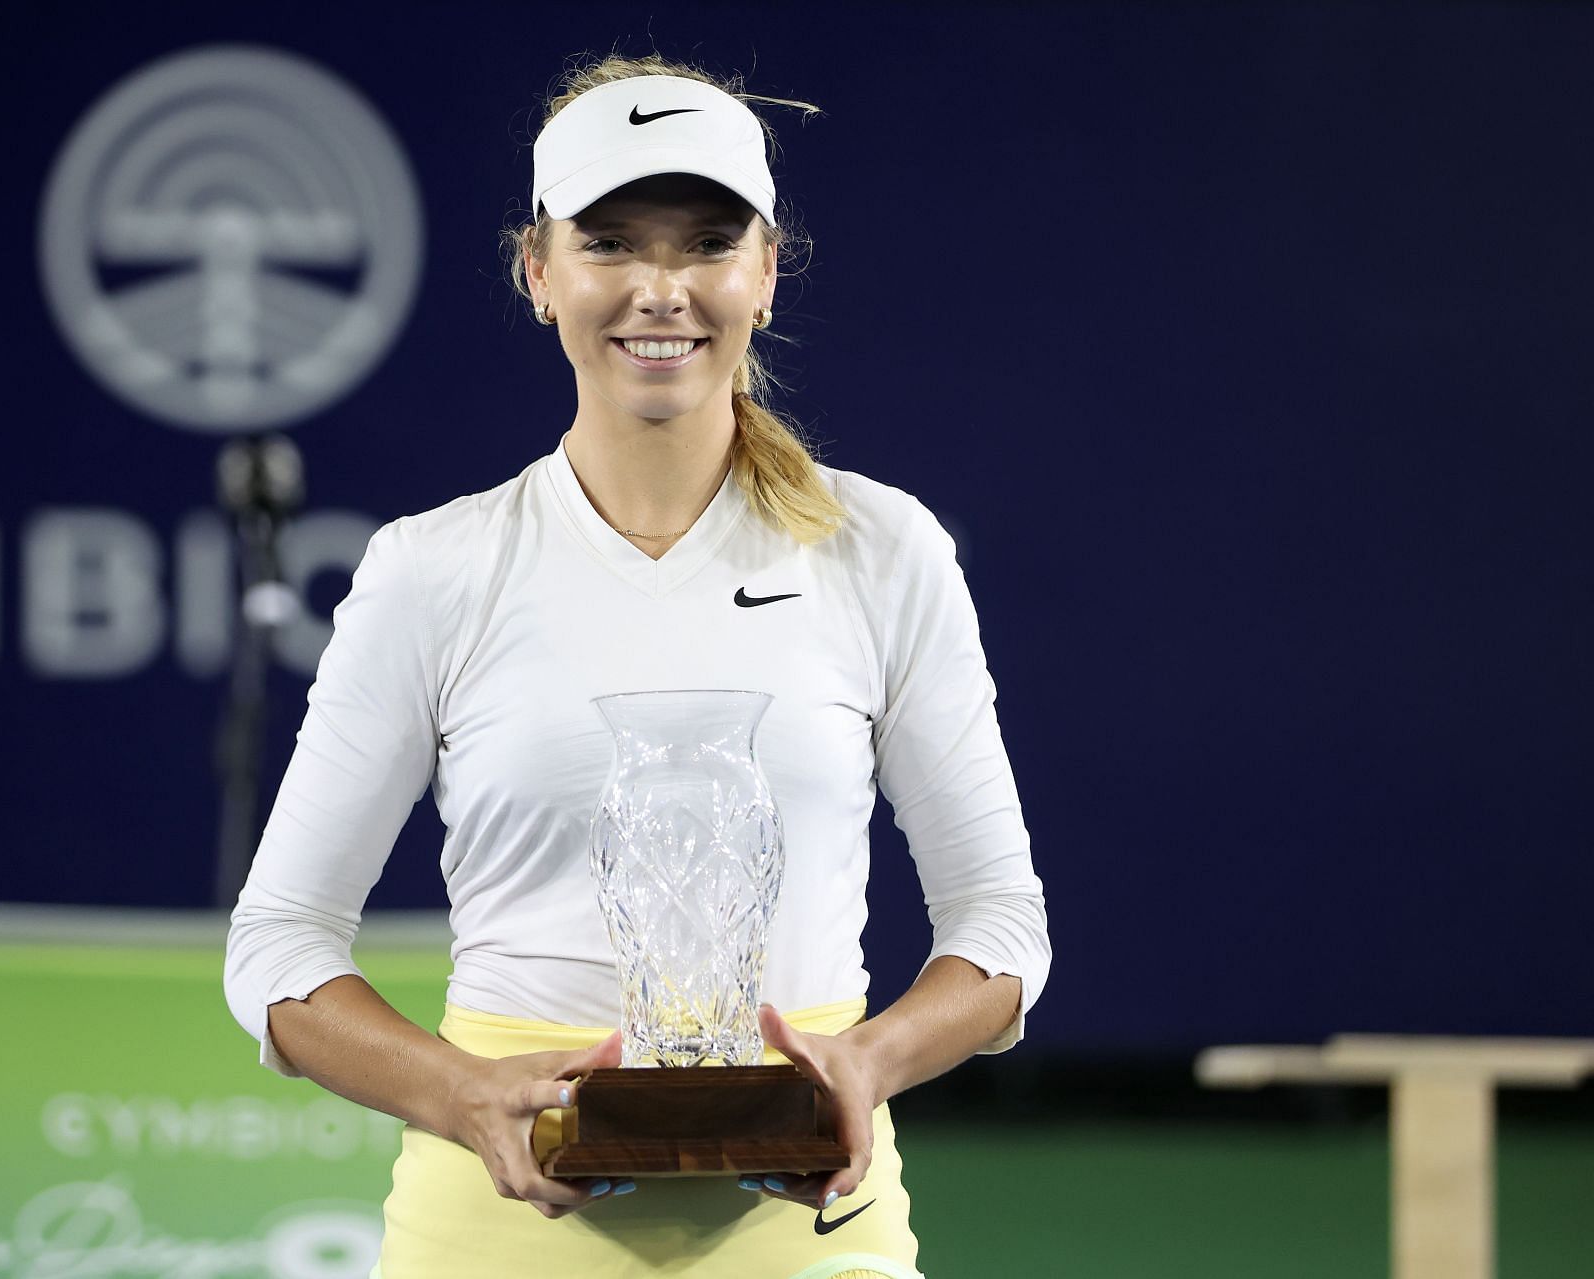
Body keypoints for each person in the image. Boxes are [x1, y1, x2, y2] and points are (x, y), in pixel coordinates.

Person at [225, 52, 1051, 1279]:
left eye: (706, 242)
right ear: (539, 273)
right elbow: (281, 947)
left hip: (815, 1240)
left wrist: (864, 1064)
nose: (659, 290)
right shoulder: (432, 569)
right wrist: (464, 1095)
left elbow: (1001, 925)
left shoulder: (885, 550)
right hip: (490, 1241)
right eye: (610, 243)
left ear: (765, 273)